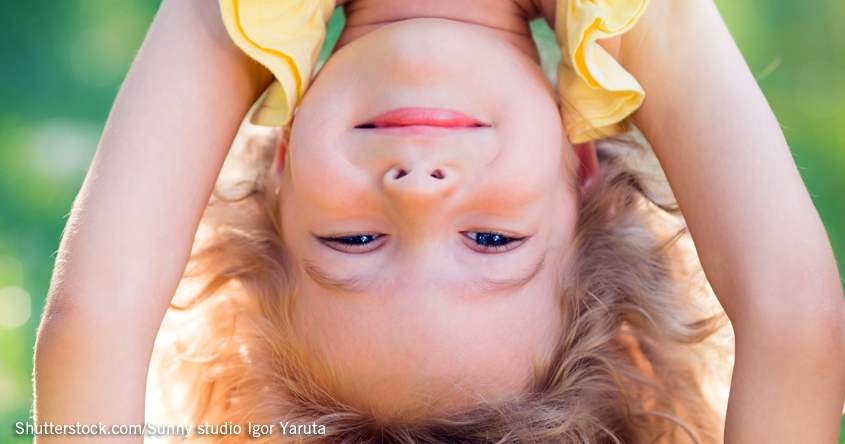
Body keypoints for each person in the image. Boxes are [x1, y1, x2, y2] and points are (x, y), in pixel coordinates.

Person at [33, 0, 845, 443]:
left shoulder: (236, 17)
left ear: (281, 170)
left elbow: (92, 322)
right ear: (579, 167)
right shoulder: (638, 16)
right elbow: (795, 322)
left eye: (353, 241)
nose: (417, 189)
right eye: (491, 240)